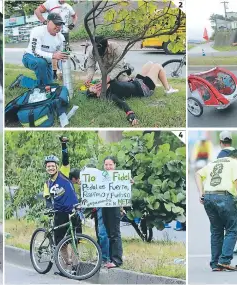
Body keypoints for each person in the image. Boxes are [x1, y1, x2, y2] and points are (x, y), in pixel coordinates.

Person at [195, 150, 237, 271]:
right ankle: (224, 261)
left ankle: (215, 263)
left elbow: (197, 174)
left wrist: (201, 193)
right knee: (233, 228)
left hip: (208, 197)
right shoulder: (235, 162)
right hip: (225, 197)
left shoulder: (214, 162)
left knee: (216, 230)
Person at [85, 60, 179, 126]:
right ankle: (168, 89)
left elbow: (112, 75)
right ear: (97, 94)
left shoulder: (106, 83)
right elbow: (122, 104)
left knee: (149, 63)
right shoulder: (109, 95)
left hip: (136, 81)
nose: (94, 86)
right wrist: (131, 115)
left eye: (93, 86)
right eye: (93, 88)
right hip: (144, 88)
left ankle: (155, 81)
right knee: (158, 66)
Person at [42, 137, 81, 274]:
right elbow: (47, 198)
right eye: (49, 166)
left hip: (73, 210)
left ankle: (75, 267)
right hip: (59, 213)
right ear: (46, 168)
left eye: (53, 165)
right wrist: (48, 208)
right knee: (61, 242)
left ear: (57, 167)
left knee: (76, 239)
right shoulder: (47, 183)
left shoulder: (64, 173)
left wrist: (63, 144)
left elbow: (65, 158)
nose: (51, 168)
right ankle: (66, 266)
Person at [9, 13, 67, 90]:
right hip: (30, 57)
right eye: (56, 23)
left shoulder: (61, 37)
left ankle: (22, 80)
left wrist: (60, 71)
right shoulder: (37, 31)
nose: (58, 26)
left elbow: (61, 56)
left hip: (47, 63)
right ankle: (40, 85)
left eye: (60, 24)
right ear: (48, 21)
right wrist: (53, 55)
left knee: (48, 85)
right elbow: (35, 51)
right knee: (41, 63)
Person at [35, 0, 77, 78]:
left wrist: (73, 24)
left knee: (64, 53)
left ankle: (64, 74)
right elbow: (37, 11)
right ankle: (54, 73)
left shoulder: (68, 6)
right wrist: (44, 22)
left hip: (64, 33)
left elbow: (75, 16)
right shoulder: (50, 2)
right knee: (53, 52)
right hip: (53, 32)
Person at [101, 156, 126, 269]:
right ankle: (112, 258)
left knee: (115, 233)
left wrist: (128, 182)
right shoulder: (101, 177)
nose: (108, 167)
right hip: (104, 207)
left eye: (110, 164)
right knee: (109, 233)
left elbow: (124, 191)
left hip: (114, 208)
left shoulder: (120, 177)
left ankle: (117, 260)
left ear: (114, 165)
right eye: (106, 164)